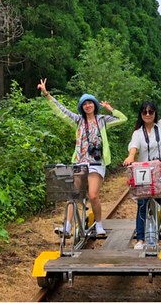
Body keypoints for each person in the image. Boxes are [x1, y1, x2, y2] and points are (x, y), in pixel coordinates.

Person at [38, 78, 127, 238]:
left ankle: (99, 225)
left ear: (94, 105)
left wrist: (110, 109)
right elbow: (61, 111)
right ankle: (67, 227)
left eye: (90, 103)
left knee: (93, 195)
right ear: (82, 107)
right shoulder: (78, 121)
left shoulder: (102, 120)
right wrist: (47, 95)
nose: (88, 105)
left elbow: (123, 119)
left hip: (97, 163)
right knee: (73, 194)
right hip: (80, 162)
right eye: (84, 104)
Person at [122, 76, 161, 249]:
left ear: (155, 113)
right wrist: (130, 158)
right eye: (144, 112)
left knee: (154, 190)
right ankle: (141, 239)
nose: (148, 114)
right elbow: (133, 148)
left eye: (151, 112)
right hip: (144, 171)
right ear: (141, 115)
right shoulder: (137, 133)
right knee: (142, 202)